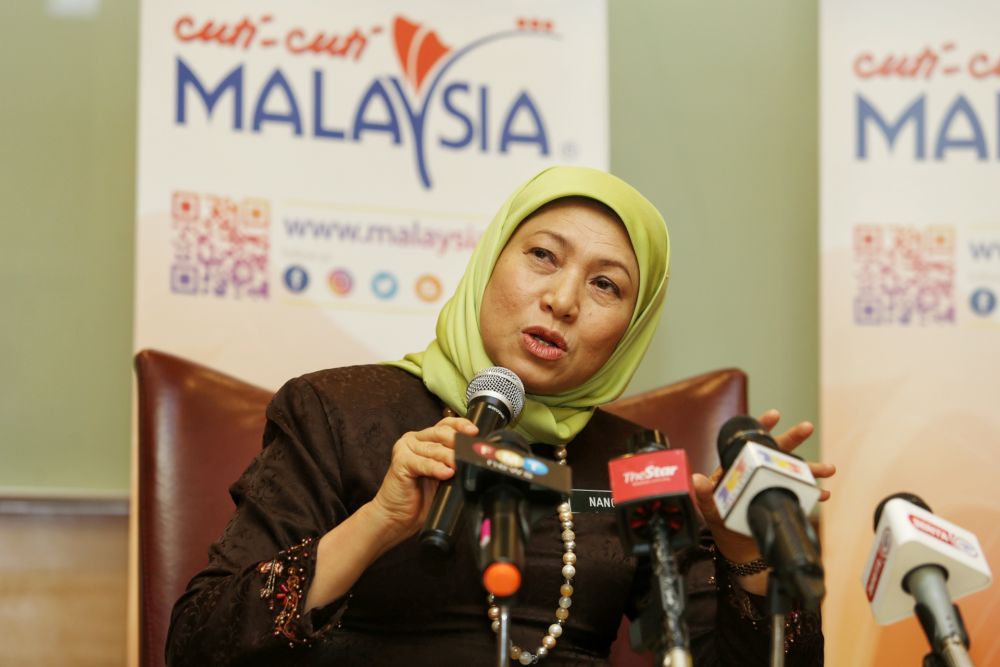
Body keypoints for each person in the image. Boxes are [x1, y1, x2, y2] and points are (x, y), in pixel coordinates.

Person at [165, 166, 831, 666]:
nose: (563, 299)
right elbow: (198, 640)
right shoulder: (337, 410)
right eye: (543, 255)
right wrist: (375, 524)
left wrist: (745, 548)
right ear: (490, 262)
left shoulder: (637, 461)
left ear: (632, 325)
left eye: (606, 284)